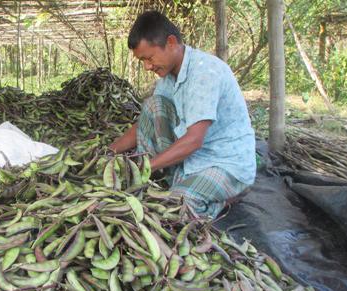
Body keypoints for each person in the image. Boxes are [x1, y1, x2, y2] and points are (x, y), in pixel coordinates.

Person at [109, 10, 256, 219]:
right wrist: (110, 150)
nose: (147, 66)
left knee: (175, 208)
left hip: (224, 162)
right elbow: (143, 123)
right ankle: (159, 181)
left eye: (149, 58)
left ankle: (226, 197)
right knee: (152, 106)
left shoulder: (205, 72)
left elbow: (194, 140)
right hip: (193, 161)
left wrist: (147, 166)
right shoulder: (168, 78)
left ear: (170, 42)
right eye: (142, 61)